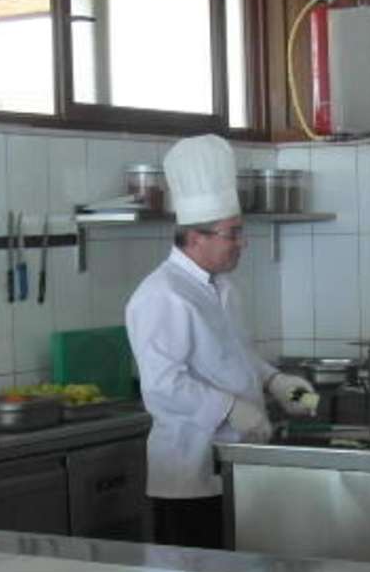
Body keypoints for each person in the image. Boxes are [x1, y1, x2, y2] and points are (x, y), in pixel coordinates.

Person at [125, 134, 318, 549]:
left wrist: (275, 382)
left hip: (234, 464)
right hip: (188, 474)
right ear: (196, 238)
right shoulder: (162, 295)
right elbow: (163, 385)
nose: (242, 243)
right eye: (233, 234)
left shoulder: (222, 287)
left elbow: (236, 355)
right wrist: (230, 408)